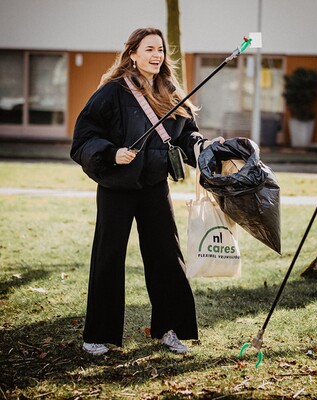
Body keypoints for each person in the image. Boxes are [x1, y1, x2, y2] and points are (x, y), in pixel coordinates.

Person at [71, 27, 221, 356]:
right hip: (117, 187)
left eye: (161, 50)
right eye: (149, 49)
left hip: (154, 186)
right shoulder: (112, 92)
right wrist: (111, 153)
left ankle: (169, 330)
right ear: (133, 55)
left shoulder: (170, 90)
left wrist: (205, 147)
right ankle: (97, 334)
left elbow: (186, 137)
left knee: (167, 257)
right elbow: (83, 136)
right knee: (108, 258)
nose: (157, 55)